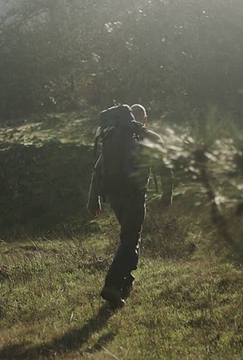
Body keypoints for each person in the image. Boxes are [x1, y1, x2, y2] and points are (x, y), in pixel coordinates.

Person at [87, 103, 174, 309]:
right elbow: (164, 167)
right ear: (143, 119)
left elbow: (98, 170)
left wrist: (94, 200)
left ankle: (125, 283)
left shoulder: (112, 138)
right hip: (134, 194)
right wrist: (167, 194)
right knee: (130, 238)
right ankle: (113, 285)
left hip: (114, 194)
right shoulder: (149, 137)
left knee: (129, 236)